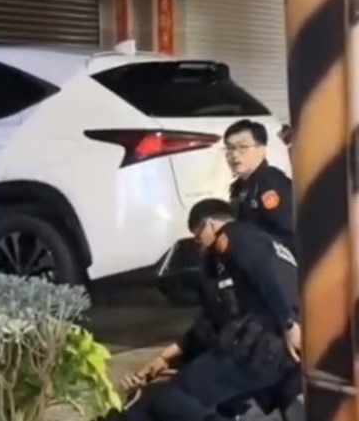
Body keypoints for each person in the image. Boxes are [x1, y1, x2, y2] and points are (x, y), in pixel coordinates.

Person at [116, 199, 301, 421]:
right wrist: (165, 358)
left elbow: (268, 275)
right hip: (272, 353)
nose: (200, 246)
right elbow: (211, 321)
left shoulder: (234, 236)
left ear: (211, 225)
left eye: (198, 237)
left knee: (175, 397)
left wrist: (289, 323)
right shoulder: (262, 242)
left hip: (260, 350)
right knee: (202, 397)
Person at [224, 119, 295, 252]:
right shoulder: (239, 187)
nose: (234, 154)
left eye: (243, 147)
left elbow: (286, 233)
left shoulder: (271, 183)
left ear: (262, 149)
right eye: (230, 148)